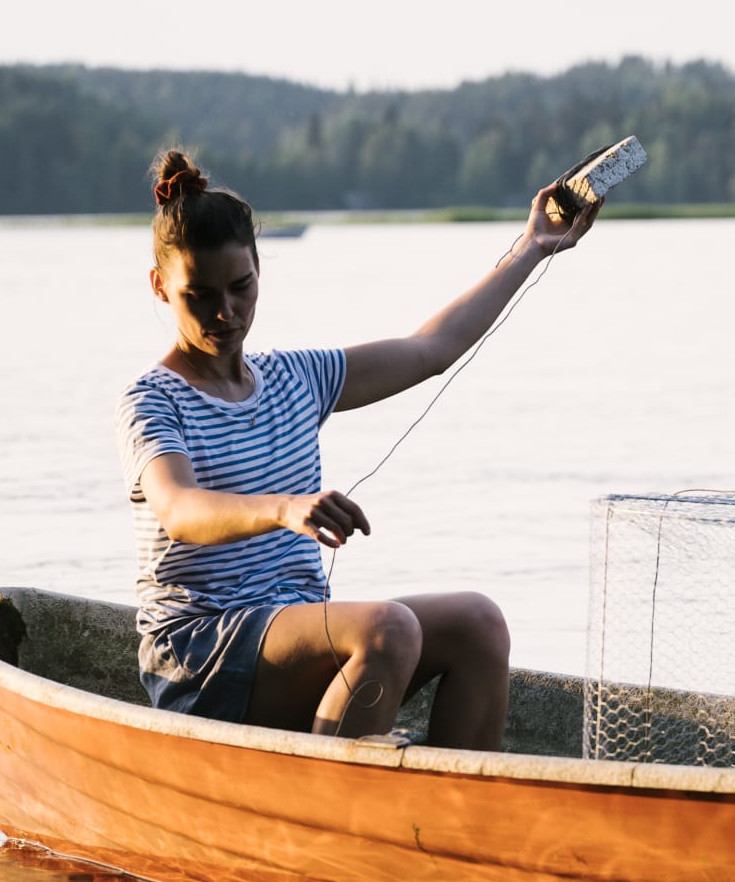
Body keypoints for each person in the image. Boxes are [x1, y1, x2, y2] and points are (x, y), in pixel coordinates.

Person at [115, 148, 598, 748]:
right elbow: (180, 511)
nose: (225, 311)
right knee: (387, 629)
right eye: (199, 295)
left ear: (260, 271)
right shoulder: (154, 400)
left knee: (479, 622)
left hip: (289, 639)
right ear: (161, 287)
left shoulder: (298, 378)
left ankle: (452, 822)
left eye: (240, 287)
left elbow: (432, 348)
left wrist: (533, 244)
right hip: (199, 653)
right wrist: (284, 508)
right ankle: (326, 814)